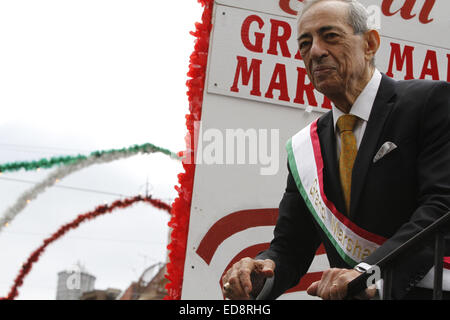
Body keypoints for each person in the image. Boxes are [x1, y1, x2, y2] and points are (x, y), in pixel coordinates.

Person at [221, 0, 450, 300]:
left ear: (370, 43)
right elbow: (291, 247)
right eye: (305, 43)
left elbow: (440, 207)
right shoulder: (306, 146)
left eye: (330, 36)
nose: (315, 51)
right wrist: (259, 274)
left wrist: (369, 272)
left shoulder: (428, 103)